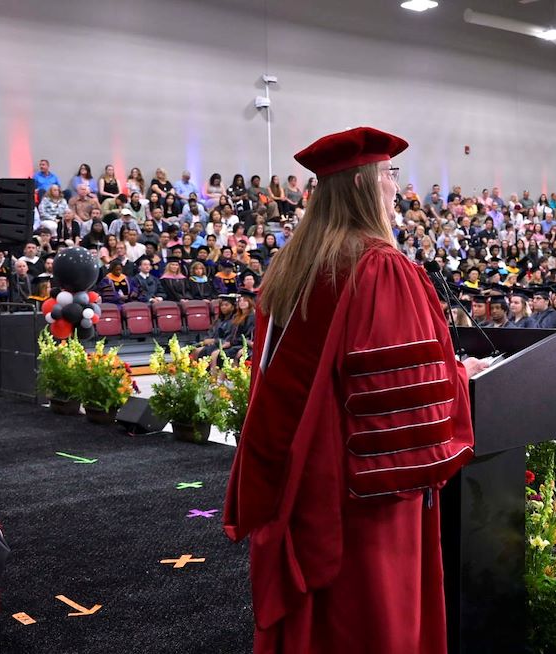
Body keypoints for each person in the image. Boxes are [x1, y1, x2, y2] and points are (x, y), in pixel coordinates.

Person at [223, 126, 483, 654]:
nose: (396, 188)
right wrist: (459, 376)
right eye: (389, 175)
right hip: (364, 498)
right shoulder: (380, 268)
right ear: (366, 186)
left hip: (302, 480)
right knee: (368, 619)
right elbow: (403, 395)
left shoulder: (294, 268)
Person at [193, 295, 237, 360]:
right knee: (193, 348)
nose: (223, 307)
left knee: (200, 351)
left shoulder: (234, 322)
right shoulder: (218, 320)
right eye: (222, 305)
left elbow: (229, 339)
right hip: (212, 344)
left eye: (226, 305)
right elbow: (210, 333)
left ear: (233, 307)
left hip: (223, 345)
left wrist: (214, 341)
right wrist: (207, 340)